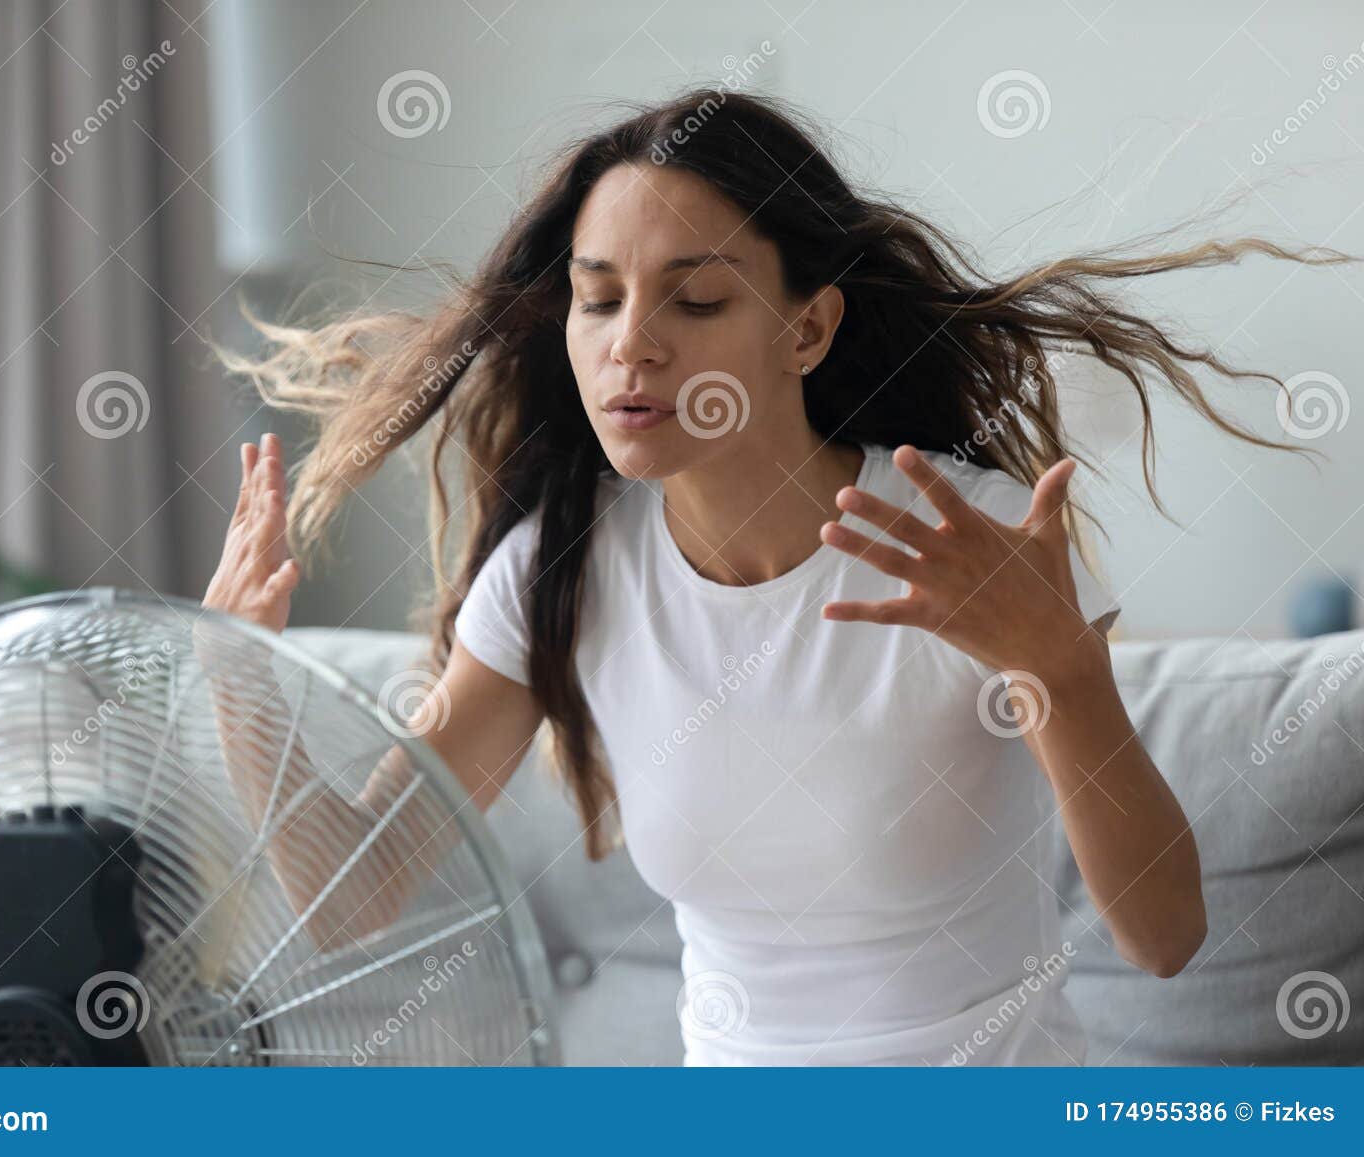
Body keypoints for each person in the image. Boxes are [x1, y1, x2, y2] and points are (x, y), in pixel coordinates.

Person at [200, 87, 1348, 1065]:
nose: (629, 343)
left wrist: (1058, 666)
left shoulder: (968, 536)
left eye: (694, 300)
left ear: (806, 331)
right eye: (597, 298)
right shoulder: (559, 568)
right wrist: (233, 669)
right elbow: (355, 893)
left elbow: (1162, 932)